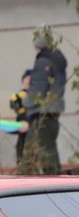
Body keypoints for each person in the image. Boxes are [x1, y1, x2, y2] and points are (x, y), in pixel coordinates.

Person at [19, 34, 68, 174]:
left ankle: (50, 184)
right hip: (52, 114)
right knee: (48, 153)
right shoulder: (56, 60)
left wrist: (24, 102)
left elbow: (38, 91)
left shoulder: (42, 62)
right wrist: (30, 74)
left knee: (37, 156)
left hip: (42, 115)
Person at [9, 69, 32, 165]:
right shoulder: (19, 94)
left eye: (30, 78)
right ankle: (21, 162)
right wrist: (15, 103)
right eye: (26, 78)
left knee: (28, 142)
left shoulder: (35, 94)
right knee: (21, 143)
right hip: (22, 120)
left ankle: (25, 162)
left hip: (31, 121)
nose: (28, 80)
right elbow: (13, 105)